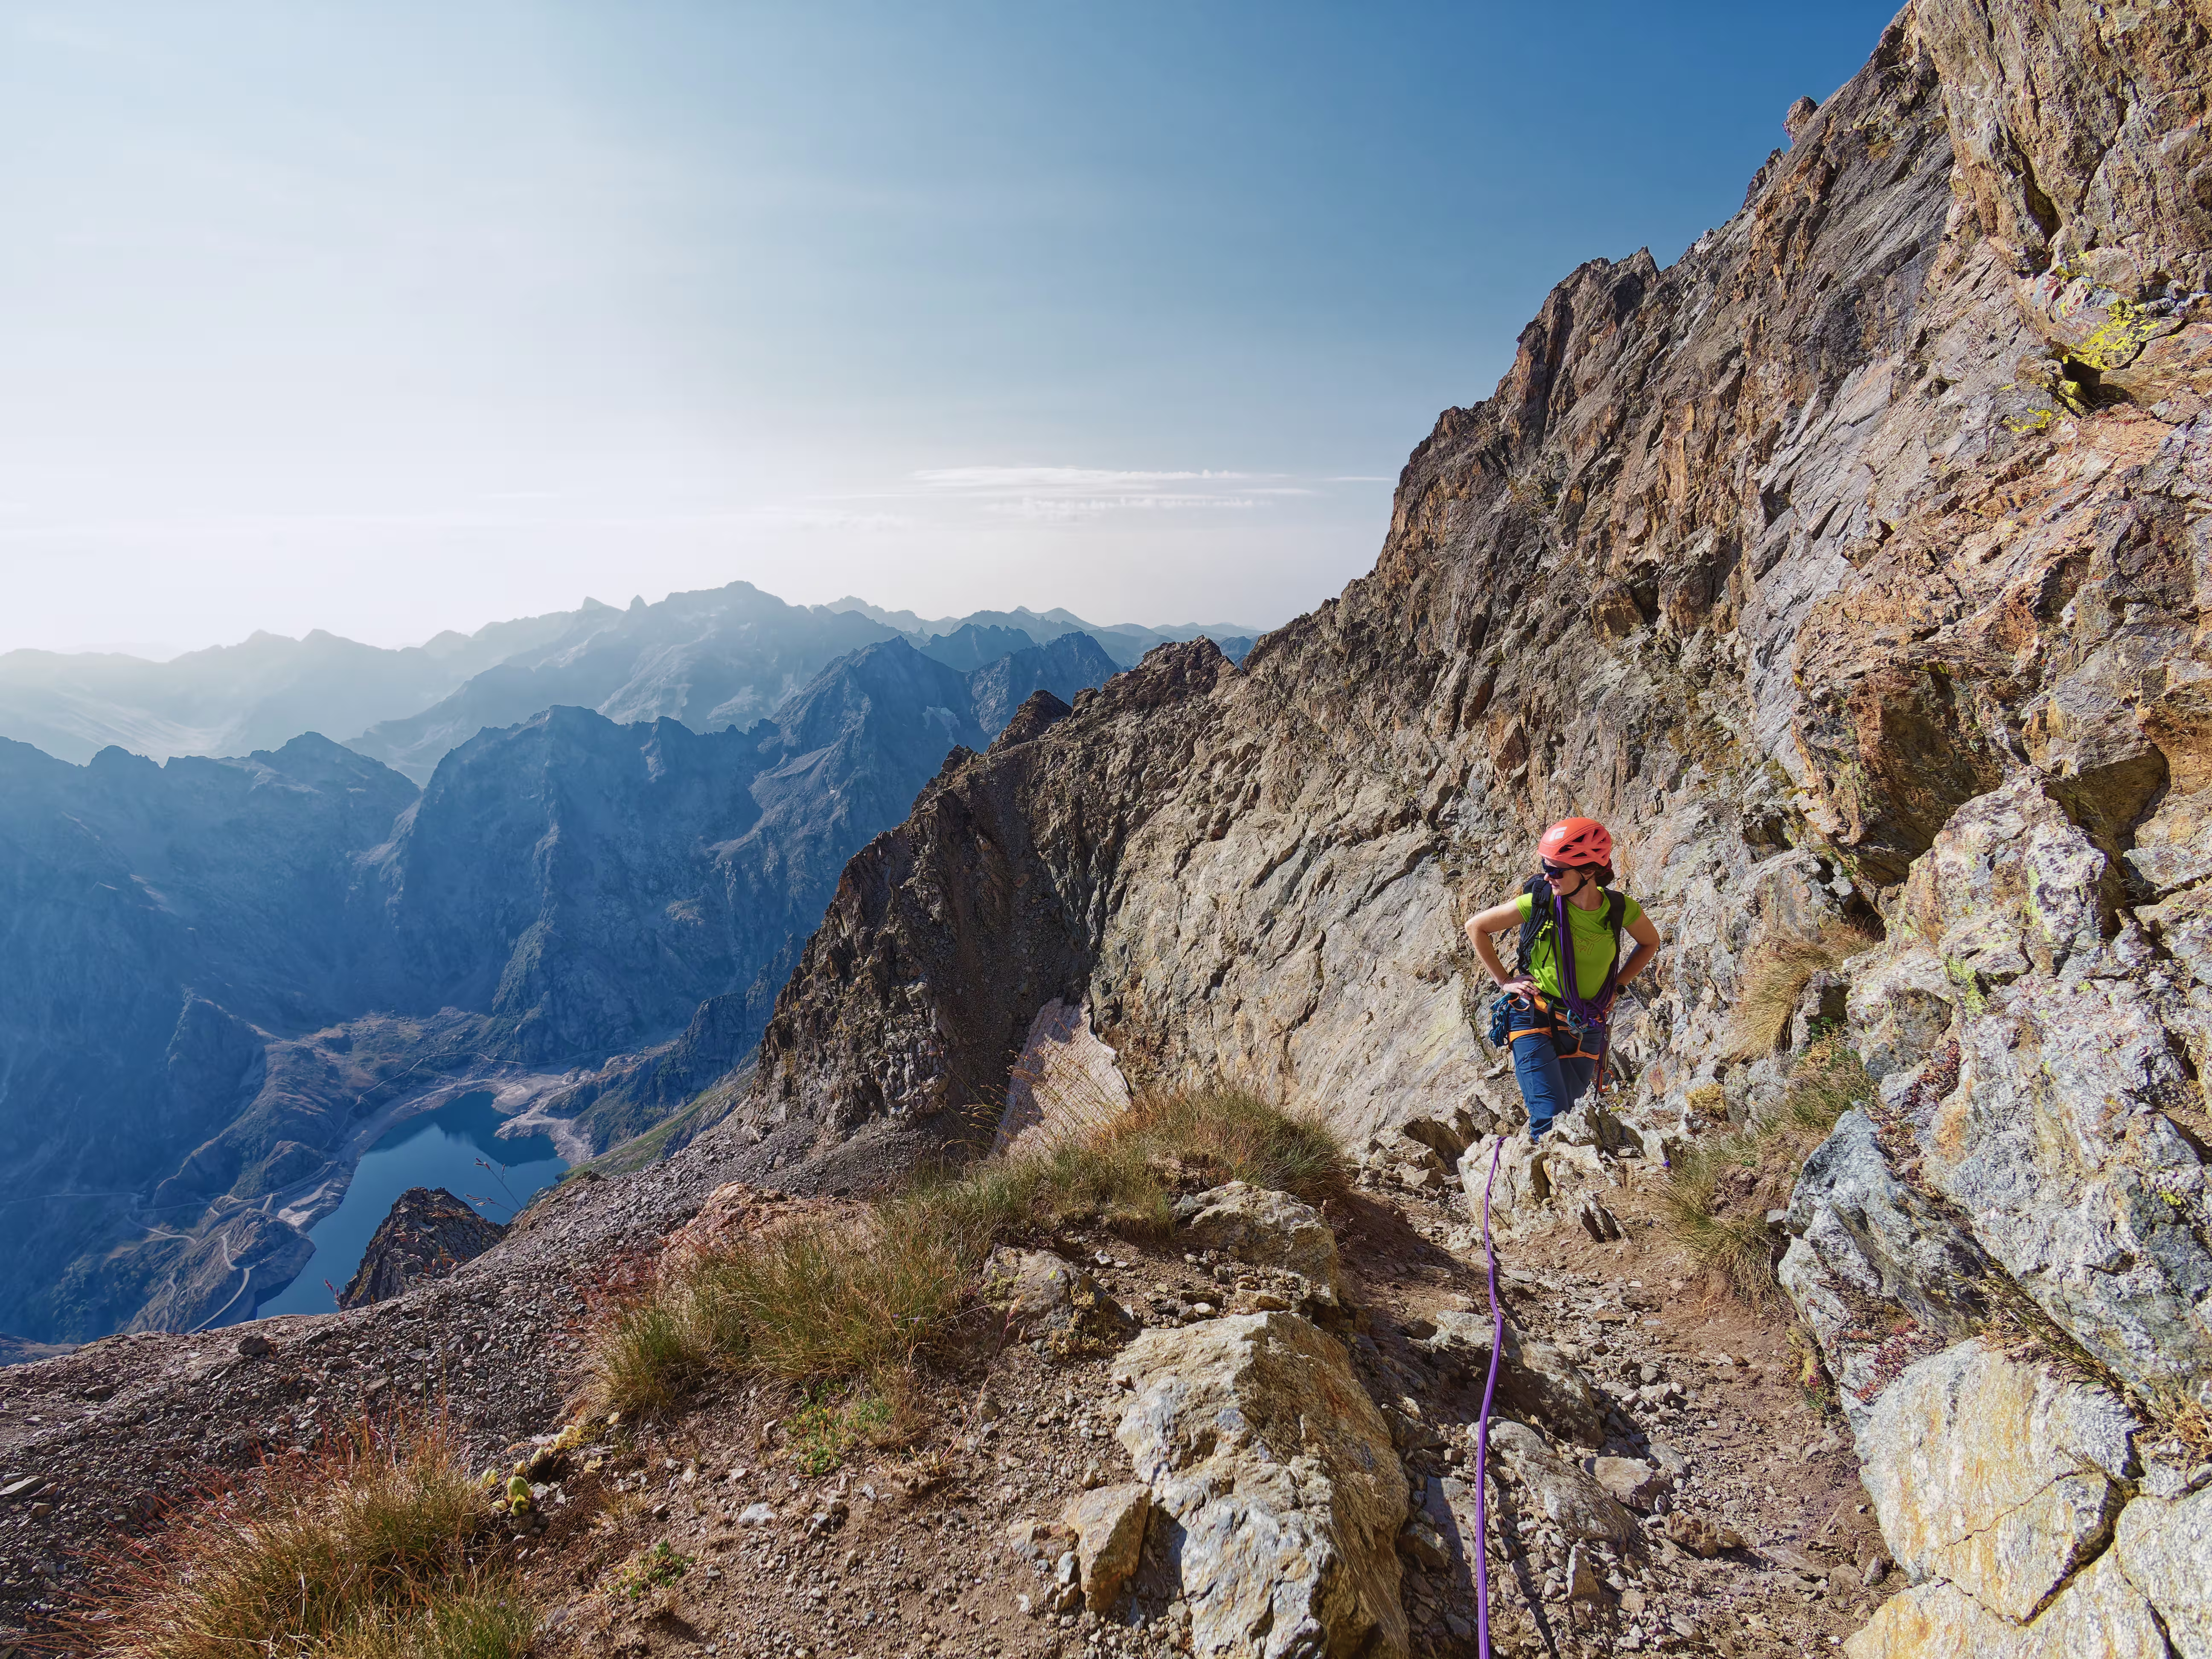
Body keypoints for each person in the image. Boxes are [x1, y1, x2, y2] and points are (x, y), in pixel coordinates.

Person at [1464, 817, 1662, 1141]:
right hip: (1533, 1013)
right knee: (1549, 1117)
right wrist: (1504, 981)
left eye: (1557, 870)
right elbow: (1477, 927)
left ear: (1589, 871)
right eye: (1546, 867)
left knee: (1572, 1114)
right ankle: (1545, 1191)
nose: (1547, 876)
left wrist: (1619, 984)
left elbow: (1650, 943)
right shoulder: (1540, 902)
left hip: (1586, 1024)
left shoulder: (1618, 909)